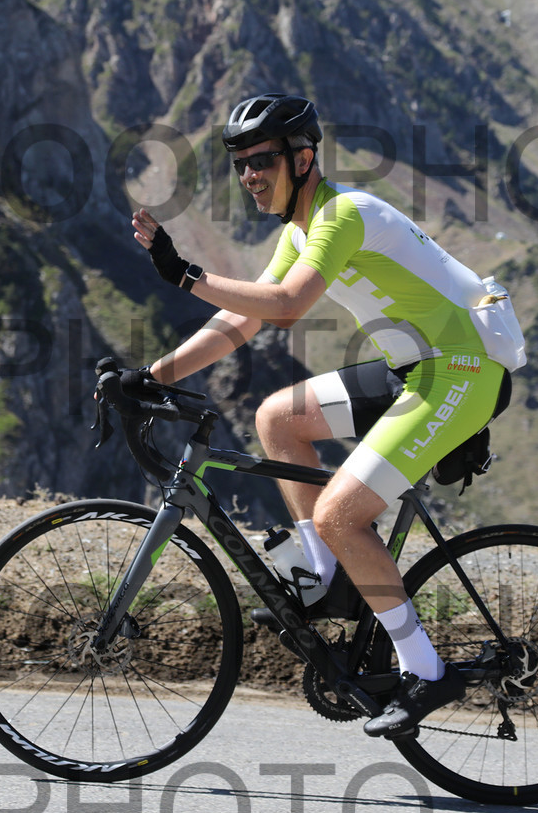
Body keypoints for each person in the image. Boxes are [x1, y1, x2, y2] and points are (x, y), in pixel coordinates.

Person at [125, 92, 507, 737]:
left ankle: (426, 671)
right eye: (241, 164)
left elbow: (286, 304)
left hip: (460, 370)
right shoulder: (301, 230)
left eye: (262, 161)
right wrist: (153, 375)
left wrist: (184, 274)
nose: (250, 175)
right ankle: (325, 577)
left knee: (339, 515)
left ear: (303, 159)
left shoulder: (342, 215)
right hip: (413, 366)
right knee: (279, 418)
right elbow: (245, 317)